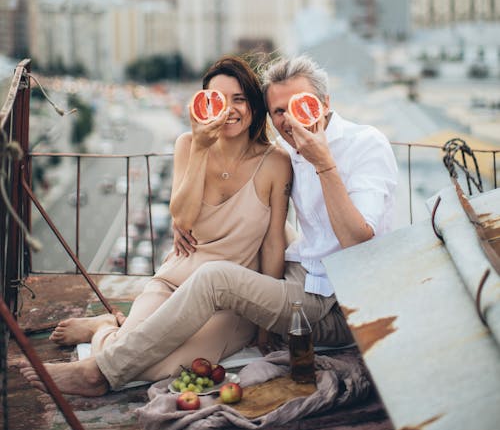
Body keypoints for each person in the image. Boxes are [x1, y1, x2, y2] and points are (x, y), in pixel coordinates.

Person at [20, 54, 398, 397]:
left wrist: (323, 162)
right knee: (147, 341)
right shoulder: (291, 149)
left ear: (326, 104)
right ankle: (114, 333)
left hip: (327, 293)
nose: (288, 120)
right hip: (289, 275)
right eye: (279, 111)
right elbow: (276, 231)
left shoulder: (351, 146)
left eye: (297, 107)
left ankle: (101, 357)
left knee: (161, 363)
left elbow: (353, 242)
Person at [44, 55, 291, 383]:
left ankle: (106, 330)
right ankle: (108, 328)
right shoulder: (188, 145)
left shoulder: (275, 162)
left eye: (240, 99)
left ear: (255, 106)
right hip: (176, 281)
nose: (230, 109)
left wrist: (265, 325)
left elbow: (274, 243)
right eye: (218, 100)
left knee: (163, 369)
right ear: (203, 105)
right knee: (130, 353)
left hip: (230, 302)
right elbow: (183, 217)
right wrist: (201, 150)